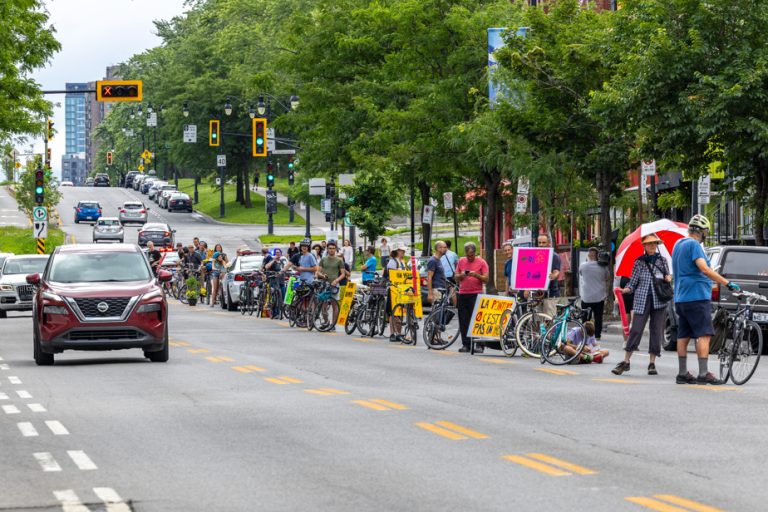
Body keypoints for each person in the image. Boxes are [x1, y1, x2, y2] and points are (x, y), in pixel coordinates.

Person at [672, 215, 740, 385]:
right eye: (706, 231)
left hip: (681, 297)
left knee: (683, 335)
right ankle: (703, 374)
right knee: (704, 335)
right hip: (696, 296)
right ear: (702, 232)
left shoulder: (678, 244)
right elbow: (704, 268)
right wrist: (727, 283)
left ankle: (682, 373)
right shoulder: (694, 245)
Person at [612, 233, 672, 376]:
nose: (652, 246)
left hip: (659, 300)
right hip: (641, 299)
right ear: (644, 246)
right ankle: (626, 361)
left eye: (654, 243)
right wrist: (624, 290)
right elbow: (632, 283)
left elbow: (668, 276)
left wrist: (668, 278)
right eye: (649, 243)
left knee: (656, 330)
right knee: (636, 329)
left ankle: (652, 363)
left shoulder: (662, 261)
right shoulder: (638, 262)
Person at [455, 242, 489, 353]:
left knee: (477, 320)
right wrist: (462, 275)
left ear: (475, 253)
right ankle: (466, 344)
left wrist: (476, 275)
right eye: (468, 255)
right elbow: (456, 277)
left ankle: (479, 344)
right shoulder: (461, 261)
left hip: (476, 293)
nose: (470, 257)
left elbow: (486, 279)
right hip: (463, 293)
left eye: (472, 255)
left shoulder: (481, 262)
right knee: (463, 319)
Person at [579, 247, 610, 340]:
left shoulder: (583, 266)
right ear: (597, 255)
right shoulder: (603, 267)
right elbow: (607, 277)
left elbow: (581, 274)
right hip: (599, 296)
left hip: (586, 296)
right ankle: (597, 335)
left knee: (585, 317)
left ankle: (585, 333)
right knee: (598, 317)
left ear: (588, 255)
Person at [386, 243, 407, 342]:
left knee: (401, 312)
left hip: (402, 289)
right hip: (394, 289)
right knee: (393, 312)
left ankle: (399, 333)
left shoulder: (403, 262)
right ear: (397, 251)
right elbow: (391, 275)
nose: (403, 252)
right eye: (402, 250)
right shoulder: (392, 262)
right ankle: (392, 333)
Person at [537, 234, 561, 318]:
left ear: (549, 243)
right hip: (538, 294)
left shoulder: (554, 256)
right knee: (537, 320)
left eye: (544, 242)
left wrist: (554, 275)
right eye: (539, 243)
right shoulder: (536, 256)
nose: (541, 245)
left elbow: (557, 271)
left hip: (551, 294)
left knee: (549, 319)